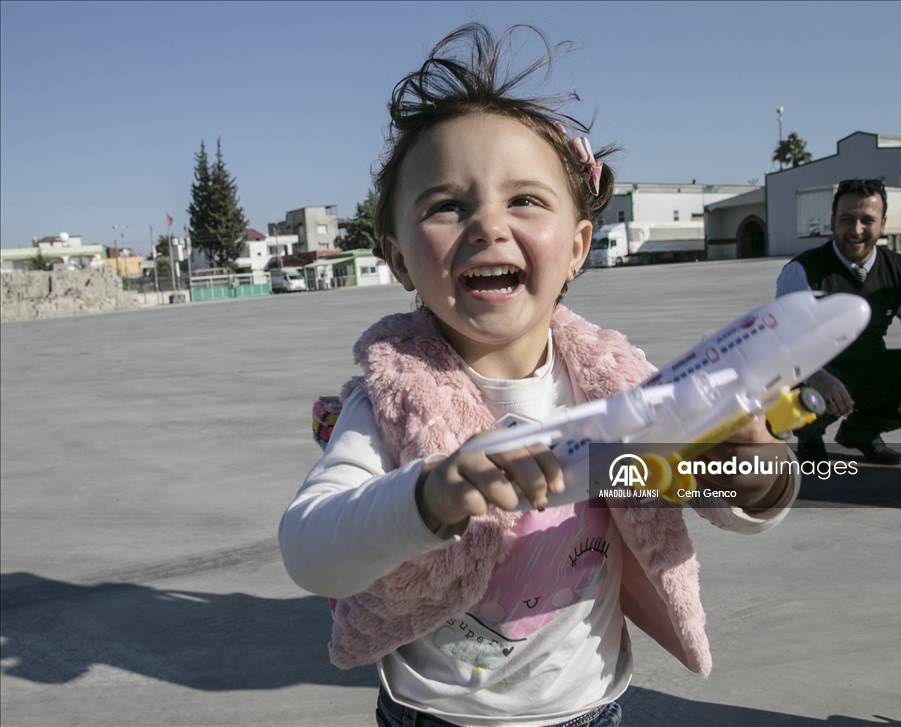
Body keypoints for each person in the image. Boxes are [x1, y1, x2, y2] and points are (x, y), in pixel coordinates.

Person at [280, 24, 799, 727]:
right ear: (398, 257)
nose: (488, 224)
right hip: (436, 715)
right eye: (446, 205)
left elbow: (694, 488)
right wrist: (428, 494)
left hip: (589, 704)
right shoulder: (392, 397)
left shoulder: (616, 380)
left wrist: (751, 468)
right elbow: (311, 549)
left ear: (579, 245)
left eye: (525, 199)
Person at [776, 178, 901, 465]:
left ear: (883, 224)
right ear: (832, 221)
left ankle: (861, 430)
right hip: (820, 374)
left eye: (867, 220)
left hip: (871, 367)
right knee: (791, 395)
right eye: (847, 219)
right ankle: (809, 437)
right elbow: (783, 343)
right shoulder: (802, 271)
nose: (856, 230)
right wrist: (816, 375)